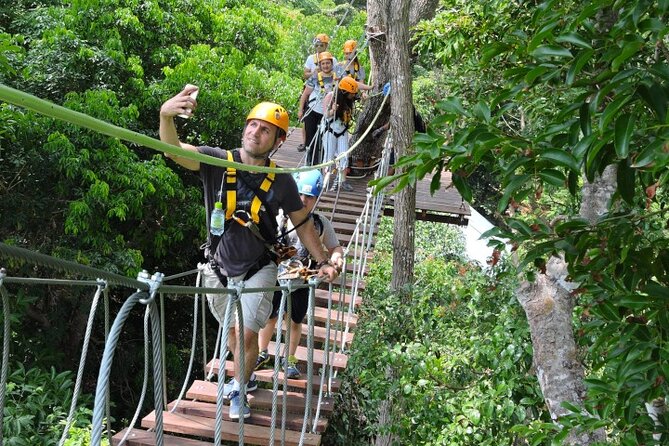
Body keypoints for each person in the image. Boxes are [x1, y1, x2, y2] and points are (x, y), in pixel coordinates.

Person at [159, 86, 340, 420]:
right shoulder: (216, 161)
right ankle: (247, 375)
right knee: (232, 334)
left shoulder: (282, 181)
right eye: (252, 125)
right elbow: (172, 150)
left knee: (245, 334)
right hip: (218, 267)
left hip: (260, 267)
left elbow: (303, 224)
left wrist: (325, 261)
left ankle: (239, 391)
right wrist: (166, 115)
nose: (256, 132)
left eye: (266, 129)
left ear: (278, 141)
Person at [256, 170, 344, 378]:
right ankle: (262, 352)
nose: (304, 200)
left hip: (302, 279)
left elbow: (335, 247)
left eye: (309, 197)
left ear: (316, 199)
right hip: (275, 277)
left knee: (294, 321)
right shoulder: (279, 217)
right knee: (270, 317)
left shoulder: (320, 223)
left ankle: (290, 359)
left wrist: (337, 258)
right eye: (300, 195)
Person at [298, 51, 344, 166]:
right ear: (320, 65)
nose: (325, 66)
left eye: (328, 63)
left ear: (331, 64)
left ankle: (322, 165)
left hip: (327, 113)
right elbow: (305, 94)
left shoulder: (337, 77)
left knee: (325, 140)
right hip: (313, 110)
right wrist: (300, 110)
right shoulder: (314, 77)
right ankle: (310, 163)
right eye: (323, 64)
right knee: (311, 138)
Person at [297, 34, 338, 153]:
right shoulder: (311, 58)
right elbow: (305, 74)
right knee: (307, 117)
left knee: (323, 126)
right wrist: (314, 73)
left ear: (326, 45)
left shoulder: (331, 59)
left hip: (327, 93)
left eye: (321, 45)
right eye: (317, 45)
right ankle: (306, 143)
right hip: (312, 89)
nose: (319, 47)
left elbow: (335, 74)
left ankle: (321, 150)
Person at [322, 77, 359, 191]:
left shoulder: (349, 100)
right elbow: (325, 115)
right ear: (344, 92)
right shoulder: (331, 97)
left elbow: (358, 88)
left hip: (342, 129)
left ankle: (342, 181)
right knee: (329, 155)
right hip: (330, 129)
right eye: (351, 93)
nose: (353, 96)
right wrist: (333, 110)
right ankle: (325, 179)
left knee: (344, 155)